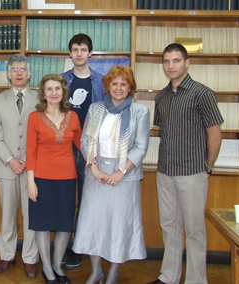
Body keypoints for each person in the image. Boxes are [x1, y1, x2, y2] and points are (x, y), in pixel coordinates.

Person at [147, 43, 223, 284]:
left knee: (194, 231)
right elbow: (164, 133)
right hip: (165, 172)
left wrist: (207, 168)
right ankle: (169, 276)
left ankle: (196, 280)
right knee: (169, 226)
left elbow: (215, 135)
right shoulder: (161, 96)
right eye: (167, 62)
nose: (171, 66)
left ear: (187, 63)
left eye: (176, 61)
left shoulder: (203, 93)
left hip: (192, 173)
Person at [73, 65, 149, 284]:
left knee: (118, 225)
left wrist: (120, 172)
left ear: (130, 87)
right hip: (95, 173)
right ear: (107, 86)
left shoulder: (139, 112)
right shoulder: (95, 108)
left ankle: (113, 274)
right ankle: (96, 271)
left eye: (123, 84)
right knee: (93, 223)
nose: (118, 88)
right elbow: (86, 140)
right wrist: (94, 167)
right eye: (114, 83)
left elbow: (141, 147)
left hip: (124, 177)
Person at [26, 74, 82, 284]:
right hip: (41, 177)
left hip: (67, 177)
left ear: (63, 92)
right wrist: (31, 182)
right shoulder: (34, 117)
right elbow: (30, 152)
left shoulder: (73, 117)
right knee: (41, 224)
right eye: (49, 89)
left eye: (57, 89)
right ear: (43, 93)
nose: (53, 93)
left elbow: (83, 145)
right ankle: (47, 269)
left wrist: (98, 162)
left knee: (64, 224)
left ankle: (58, 265)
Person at [0, 53, 39, 278]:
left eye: (23, 70)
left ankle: (30, 258)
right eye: (15, 70)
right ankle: (7, 255)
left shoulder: (40, 99)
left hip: (32, 169)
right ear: (8, 74)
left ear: (29, 74)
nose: (19, 73)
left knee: (31, 215)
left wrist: (28, 160)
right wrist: (10, 159)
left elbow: (42, 135)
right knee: (8, 215)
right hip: (6, 167)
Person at [61, 33, 105, 269]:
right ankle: (68, 247)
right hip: (65, 149)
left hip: (91, 150)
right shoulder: (60, 81)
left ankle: (84, 243)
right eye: (75, 50)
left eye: (83, 49)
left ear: (90, 53)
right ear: (70, 54)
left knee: (88, 201)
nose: (79, 54)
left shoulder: (102, 82)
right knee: (67, 200)